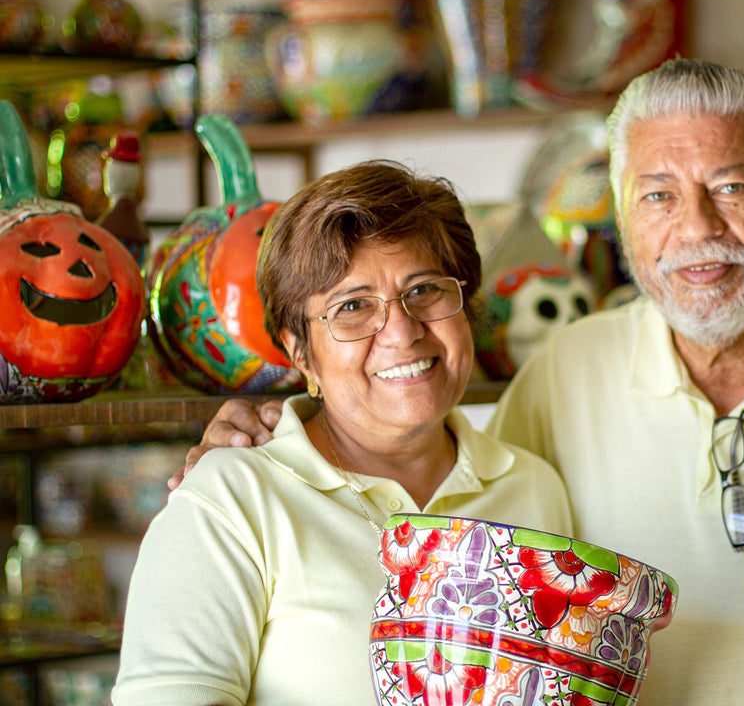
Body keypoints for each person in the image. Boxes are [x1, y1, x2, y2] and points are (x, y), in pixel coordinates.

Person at [184, 60, 744, 705]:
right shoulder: (562, 372)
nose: (696, 228)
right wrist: (270, 444)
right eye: (658, 196)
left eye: (731, 187)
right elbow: (441, 481)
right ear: (622, 219)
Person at [112, 161, 573, 706]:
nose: (401, 331)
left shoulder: (533, 486)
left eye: (424, 289)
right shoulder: (230, 501)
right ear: (300, 352)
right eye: (352, 306)